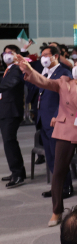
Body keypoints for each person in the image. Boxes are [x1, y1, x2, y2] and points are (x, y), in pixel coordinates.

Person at [18, 56, 77, 226]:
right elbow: (44, 82)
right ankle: (57, 211)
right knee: (58, 171)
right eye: (76, 64)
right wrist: (29, 70)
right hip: (65, 131)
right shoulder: (64, 82)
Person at [34, 46, 75, 199]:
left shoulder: (64, 73)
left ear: (56, 56)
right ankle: (58, 186)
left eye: (46, 55)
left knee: (59, 157)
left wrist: (58, 114)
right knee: (50, 157)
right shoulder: (44, 73)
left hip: (56, 121)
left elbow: (67, 98)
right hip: (43, 120)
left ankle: (66, 187)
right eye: (41, 55)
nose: (42, 58)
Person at [0, 45, 27, 188]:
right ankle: (18, 171)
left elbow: (13, 83)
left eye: (10, 52)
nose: (6, 55)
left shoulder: (17, 69)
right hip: (5, 110)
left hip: (12, 111)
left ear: (17, 55)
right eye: (5, 52)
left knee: (9, 142)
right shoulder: (8, 70)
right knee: (9, 142)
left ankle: (17, 175)